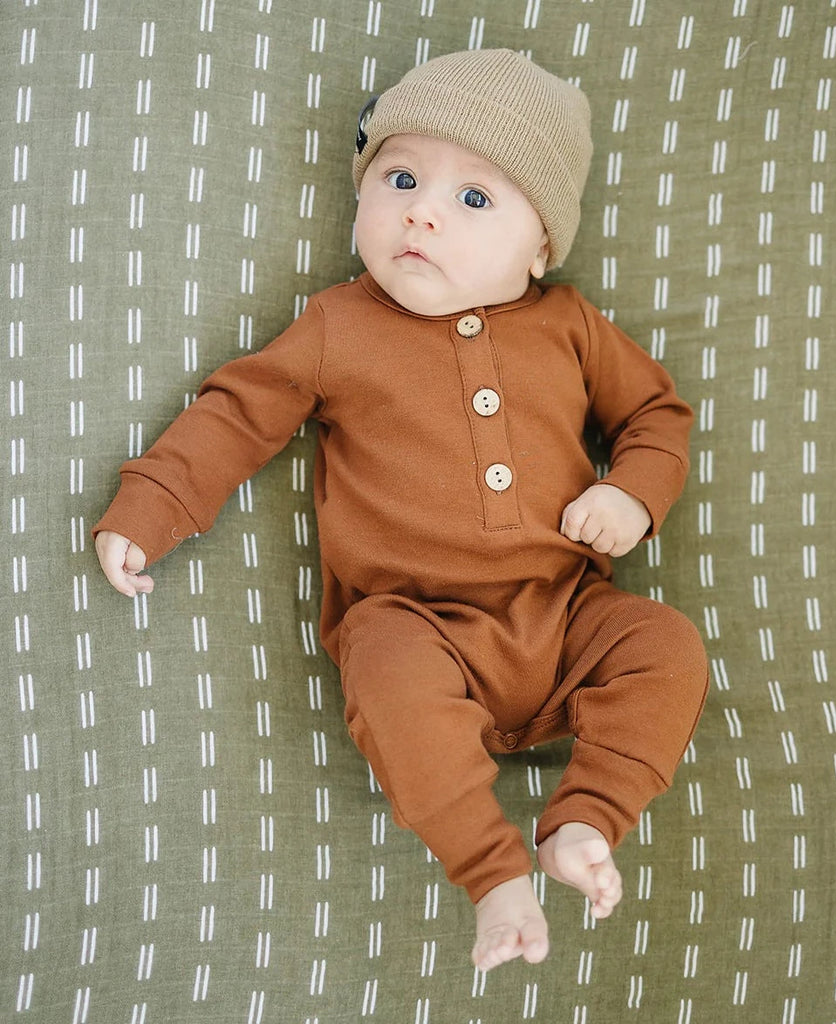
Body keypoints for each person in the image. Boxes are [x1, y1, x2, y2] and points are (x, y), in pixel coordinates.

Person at [94, 48, 708, 971]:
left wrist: (632, 493)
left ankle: (585, 820)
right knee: (381, 667)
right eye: (401, 176)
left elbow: (657, 416)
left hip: (568, 618)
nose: (420, 209)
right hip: (417, 624)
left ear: (539, 246)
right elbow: (238, 414)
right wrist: (152, 503)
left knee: (666, 645)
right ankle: (492, 873)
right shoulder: (340, 326)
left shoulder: (571, 326)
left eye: (473, 199)